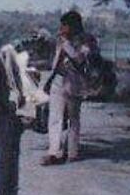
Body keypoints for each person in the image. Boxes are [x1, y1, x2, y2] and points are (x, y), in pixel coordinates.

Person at [41, 9, 99, 165]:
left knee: (73, 118)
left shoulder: (86, 40)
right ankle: (54, 152)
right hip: (58, 80)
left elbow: (80, 59)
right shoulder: (61, 39)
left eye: (64, 25)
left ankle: (72, 151)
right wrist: (49, 80)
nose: (61, 28)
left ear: (73, 26)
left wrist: (66, 45)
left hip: (75, 83)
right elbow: (55, 61)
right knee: (55, 117)